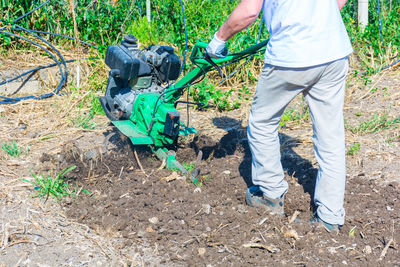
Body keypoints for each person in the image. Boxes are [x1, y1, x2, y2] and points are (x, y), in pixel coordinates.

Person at [206, 0, 352, 232]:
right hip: (334, 53)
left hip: (291, 57)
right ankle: (330, 216)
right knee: (330, 136)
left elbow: (249, 11)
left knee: (263, 122)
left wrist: (218, 40)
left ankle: (270, 195)